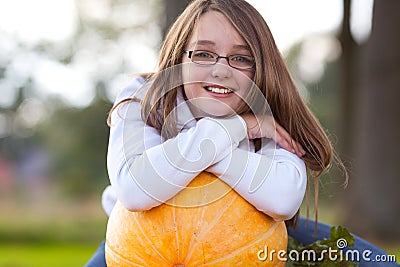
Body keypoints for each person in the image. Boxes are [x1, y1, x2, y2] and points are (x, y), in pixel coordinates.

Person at [85, 0, 399, 266]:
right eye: (203, 54)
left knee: (377, 262)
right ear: (178, 58)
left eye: (240, 58)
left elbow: (283, 198)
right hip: (137, 240)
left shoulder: (270, 113)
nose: (221, 70)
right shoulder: (144, 96)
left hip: (252, 237)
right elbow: (135, 189)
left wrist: (199, 154)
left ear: (260, 68)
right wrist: (236, 128)